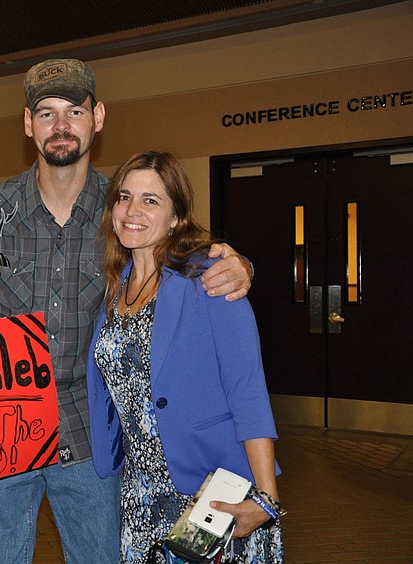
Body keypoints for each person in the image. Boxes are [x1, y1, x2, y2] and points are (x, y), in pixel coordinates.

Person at [0, 59, 253, 563]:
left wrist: (241, 264)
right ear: (28, 125)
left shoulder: (124, 210)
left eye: (74, 110)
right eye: (45, 113)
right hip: (0, 435)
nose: (60, 125)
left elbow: (184, 253)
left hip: (91, 438)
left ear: (98, 117)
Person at [86, 151, 283, 563]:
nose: (132, 210)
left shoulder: (208, 275)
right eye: (124, 197)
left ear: (177, 217)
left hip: (211, 490)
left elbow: (246, 388)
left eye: (151, 200)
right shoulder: (113, 286)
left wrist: (265, 498)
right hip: (140, 495)